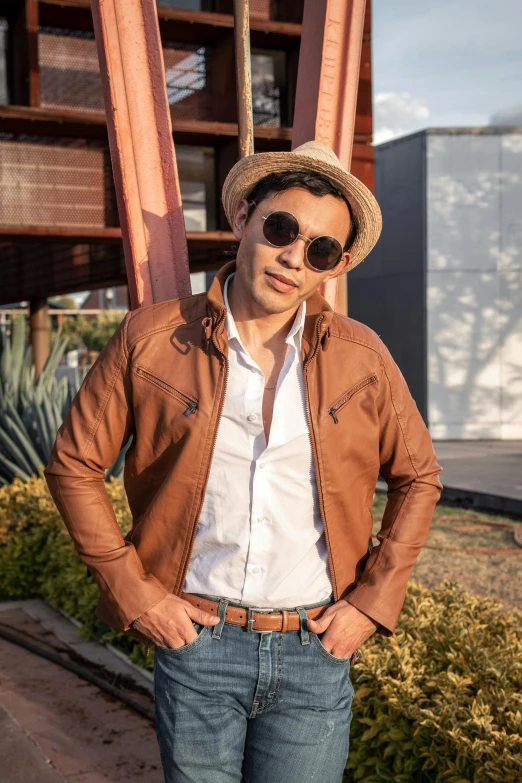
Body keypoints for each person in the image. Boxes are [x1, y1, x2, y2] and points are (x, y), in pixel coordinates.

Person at [44, 140, 443, 783]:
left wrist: (372, 601)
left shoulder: (362, 357)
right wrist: (134, 594)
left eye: (320, 249)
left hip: (315, 649)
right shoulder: (151, 338)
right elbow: (73, 464)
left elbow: (419, 476)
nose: (293, 257)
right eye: (282, 228)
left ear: (332, 267)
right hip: (198, 643)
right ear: (245, 219)